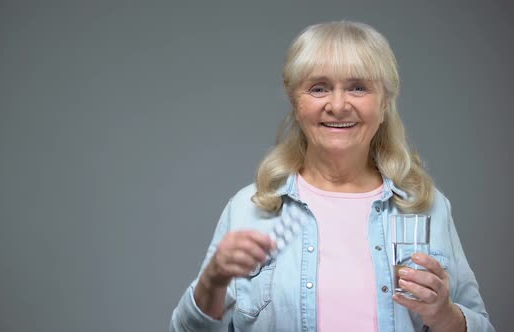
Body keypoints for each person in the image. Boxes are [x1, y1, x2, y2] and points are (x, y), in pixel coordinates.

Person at [169, 21, 494, 331]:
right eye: (319, 88)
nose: (338, 105)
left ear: (384, 103)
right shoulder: (250, 209)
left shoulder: (426, 207)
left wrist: (445, 315)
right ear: (296, 102)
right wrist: (212, 281)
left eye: (358, 87)